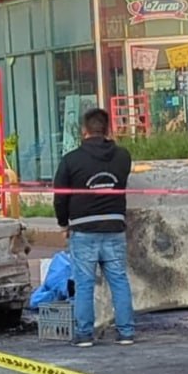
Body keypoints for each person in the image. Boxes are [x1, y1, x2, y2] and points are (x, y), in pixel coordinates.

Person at [53, 107, 135, 348]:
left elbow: (60, 196)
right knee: (119, 280)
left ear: (83, 130)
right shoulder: (123, 156)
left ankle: (84, 334)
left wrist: (63, 222)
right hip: (114, 226)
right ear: (107, 130)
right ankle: (126, 332)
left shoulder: (71, 160)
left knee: (84, 283)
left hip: (83, 229)